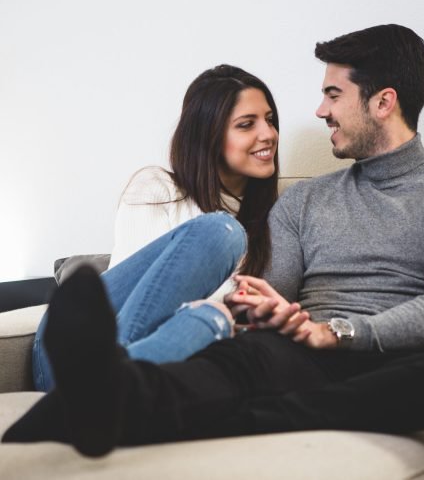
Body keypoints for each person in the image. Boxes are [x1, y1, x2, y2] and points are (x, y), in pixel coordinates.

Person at [4, 24, 424, 458]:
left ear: (383, 102)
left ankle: (137, 410)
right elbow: (267, 290)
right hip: (303, 356)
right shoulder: (304, 200)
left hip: (401, 360)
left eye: (332, 94)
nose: (319, 109)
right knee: (240, 359)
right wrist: (267, 310)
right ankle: (103, 397)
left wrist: (337, 332)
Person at [32, 64, 280, 391]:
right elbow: (141, 303)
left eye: (270, 120)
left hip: (146, 368)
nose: (269, 134)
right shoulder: (158, 189)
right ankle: (97, 385)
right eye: (247, 124)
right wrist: (228, 299)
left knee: (212, 320)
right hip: (78, 347)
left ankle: (94, 398)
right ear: (208, 135)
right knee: (222, 233)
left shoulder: (278, 215)